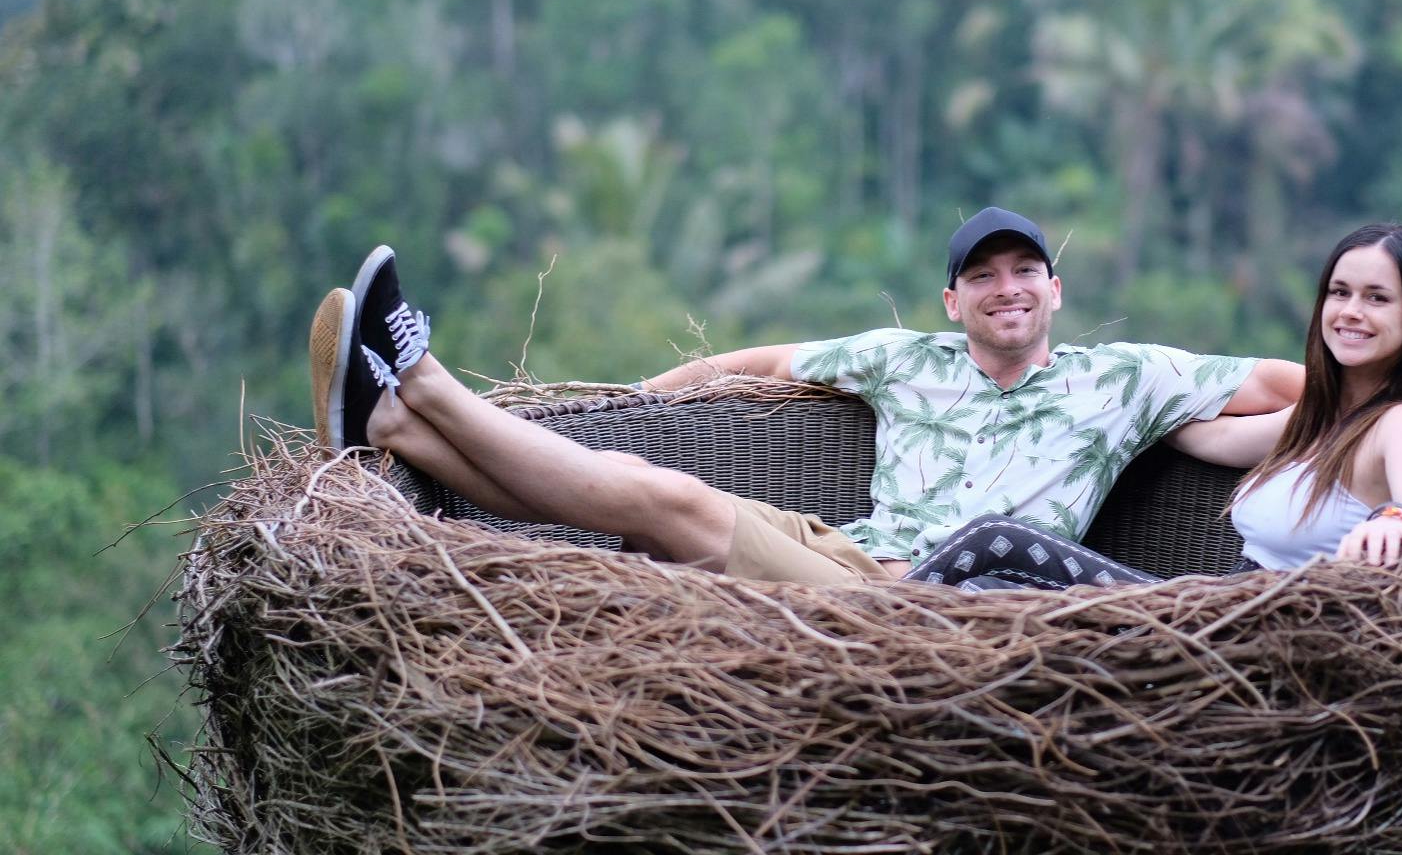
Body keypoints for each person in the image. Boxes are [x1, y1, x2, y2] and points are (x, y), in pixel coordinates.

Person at [307, 207, 1304, 585]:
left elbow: (1298, 388)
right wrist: (635, 400)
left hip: (925, 610)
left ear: (1055, 289)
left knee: (673, 508)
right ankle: (393, 424)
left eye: (1025, 271)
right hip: (843, 553)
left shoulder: (1124, 378)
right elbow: (759, 364)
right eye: (984, 276)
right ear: (952, 299)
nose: (1008, 288)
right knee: (636, 477)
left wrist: (1399, 418)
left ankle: (424, 382)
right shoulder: (902, 357)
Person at [907, 222, 1402, 588]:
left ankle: (867, 629)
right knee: (987, 590)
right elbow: (1208, 437)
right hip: (1209, 616)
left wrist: (1400, 518)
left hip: (1237, 639)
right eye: (1340, 293)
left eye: (1377, 298)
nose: (1350, 311)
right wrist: (1111, 403)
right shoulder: (1318, 421)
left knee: (991, 539)